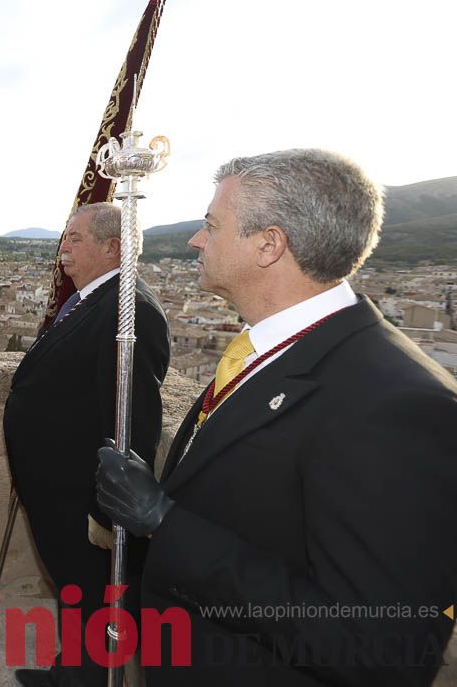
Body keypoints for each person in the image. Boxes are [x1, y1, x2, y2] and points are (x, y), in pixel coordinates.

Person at [96, 149, 457, 685]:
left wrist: (168, 526)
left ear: (269, 244)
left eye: (211, 226)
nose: (196, 240)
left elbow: (380, 645)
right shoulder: (274, 348)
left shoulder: (397, 404)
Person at [3, 202, 170, 687]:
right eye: (64, 237)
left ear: (112, 247)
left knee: (93, 596)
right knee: (75, 592)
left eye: (75, 238)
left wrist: (108, 511)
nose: (64, 248)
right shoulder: (94, 300)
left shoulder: (130, 309)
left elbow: (133, 421)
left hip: (81, 498)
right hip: (58, 491)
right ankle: (67, 674)